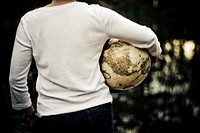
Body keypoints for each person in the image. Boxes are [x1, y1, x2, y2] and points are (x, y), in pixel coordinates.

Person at [9, 0, 162, 132]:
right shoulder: (96, 15)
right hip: (96, 110)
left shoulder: (29, 21)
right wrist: (153, 56)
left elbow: (16, 79)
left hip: (51, 116)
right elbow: (149, 38)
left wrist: (28, 112)